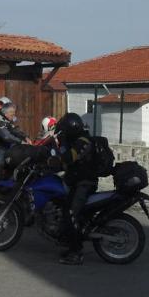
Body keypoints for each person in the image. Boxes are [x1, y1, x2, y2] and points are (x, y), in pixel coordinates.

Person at [51, 112, 97, 265]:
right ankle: (66, 240)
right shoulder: (77, 139)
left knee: (71, 214)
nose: (63, 132)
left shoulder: (82, 141)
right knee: (63, 207)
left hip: (84, 183)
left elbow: (69, 158)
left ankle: (76, 253)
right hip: (76, 181)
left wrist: (56, 155)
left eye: (65, 129)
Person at [0, 97, 30, 178]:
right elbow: (6, 136)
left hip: (2, 148)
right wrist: (20, 141)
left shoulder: (4, 118)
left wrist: (25, 137)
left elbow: (14, 129)